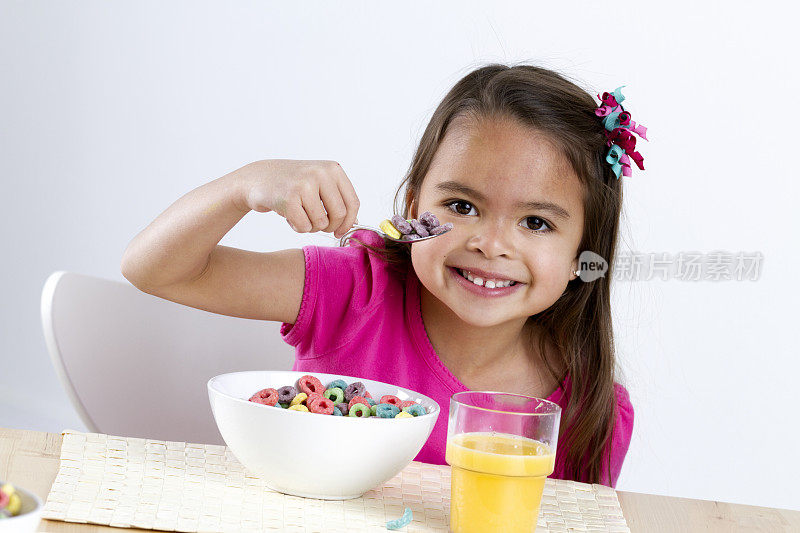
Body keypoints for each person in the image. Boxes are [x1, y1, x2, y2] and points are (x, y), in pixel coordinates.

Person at [121, 63, 646, 488]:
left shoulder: (590, 412)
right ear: (414, 207)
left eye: (536, 222)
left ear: (584, 252)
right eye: (461, 205)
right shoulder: (352, 290)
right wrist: (245, 185)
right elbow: (153, 269)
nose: (490, 243)